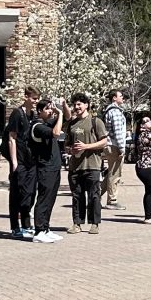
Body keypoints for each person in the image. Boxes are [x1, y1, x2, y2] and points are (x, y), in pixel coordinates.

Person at [64, 93, 111, 233]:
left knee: (94, 196)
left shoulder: (95, 121)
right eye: (75, 104)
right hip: (75, 166)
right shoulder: (71, 124)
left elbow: (104, 142)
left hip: (92, 166)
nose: (77, 107)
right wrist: (70, 149)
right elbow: (66, 144)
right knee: (77, 196)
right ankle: (77, 224)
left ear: (86, 105)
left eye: (79, 104)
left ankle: (94, 223)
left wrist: (86, 146)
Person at [24, 98, 65, 242]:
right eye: (47, 109)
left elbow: (67, 117)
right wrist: (58, 115)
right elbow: (56, 133)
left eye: (50, 108)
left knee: (50, 199)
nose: (50, 111)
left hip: (54, 167)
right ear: (40, 111)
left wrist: (63, 106)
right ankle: (39, 231)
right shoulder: (37, 126)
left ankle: (46, 228)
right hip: (45, 168)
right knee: (43, 198)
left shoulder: (46, 123)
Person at [5, 87, 39, 238]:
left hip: (31, 160)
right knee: (17, 193)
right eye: (33, 98)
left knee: (30, 192)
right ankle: (15, 226)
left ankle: (26, 223)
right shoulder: (17, 113)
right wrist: (14, 163)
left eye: (37, 98)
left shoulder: (33, 115)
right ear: (26, 97)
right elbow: (11, 138)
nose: (36, 101)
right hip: (19, 160)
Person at [102, 90, 129, 209]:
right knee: (115, 173)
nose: (123, 98)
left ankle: (95, 195)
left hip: (110, 145)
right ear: (114, 98)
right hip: (114, 146)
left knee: (110, 174)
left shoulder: (109, 111)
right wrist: (122, 149)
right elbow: (118, 132)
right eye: (120, 96)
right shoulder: (116, 112)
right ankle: (112, 200)